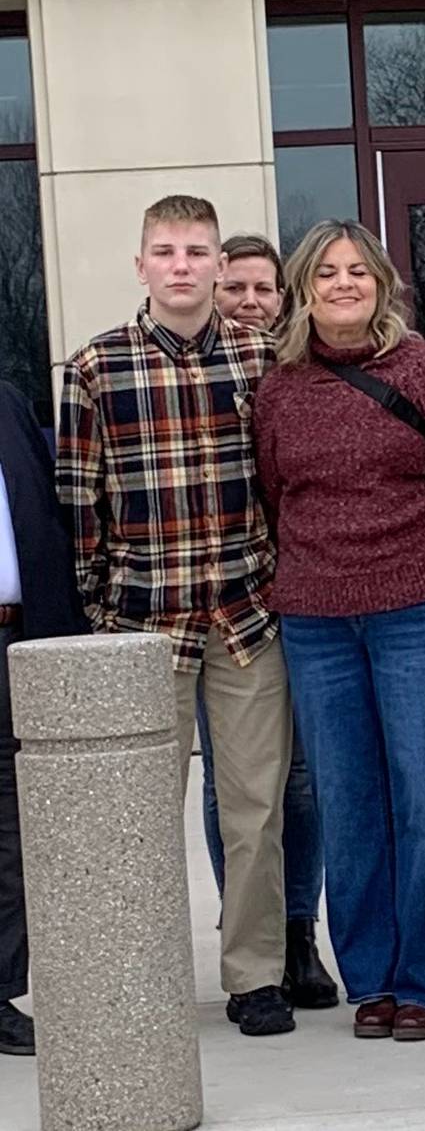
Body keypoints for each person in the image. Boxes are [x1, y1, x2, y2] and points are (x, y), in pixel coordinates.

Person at [56, 196, 296, 1038]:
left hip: (244, 614)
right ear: (142, 265)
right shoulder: (95, 369)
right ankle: (140, 974)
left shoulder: (265, 358)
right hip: (141, 623)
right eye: (167, 250)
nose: (183, 265)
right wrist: (100, 613)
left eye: (198, 250)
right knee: (137, 812)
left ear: (217, 265)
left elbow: (283, 483)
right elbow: (79, 504)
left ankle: (255, 975)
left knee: (255, 809)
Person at [255, 220, 425, 1043]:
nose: (345, 283)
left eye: (360, 270)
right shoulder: (279, 386)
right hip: (316, 625)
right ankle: (372, 980)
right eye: (328, 272)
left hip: (419, 616)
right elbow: (274, 496)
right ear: (305, 289)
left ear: (384, 283)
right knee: (350, 804)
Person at [199, 232, 337, 1011]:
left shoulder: (288, 374)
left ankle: (297, 932)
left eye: (264, 290)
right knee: (235, 788)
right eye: (236, 288)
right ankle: (248, 932)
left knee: (304, 782)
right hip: (216, 612)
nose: (250, 301)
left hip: (294, 597)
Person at [0, 381, 90, 1056]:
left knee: (12, 829)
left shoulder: (6, 400)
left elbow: (49, 518)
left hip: (18, 642)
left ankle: (0, 993)